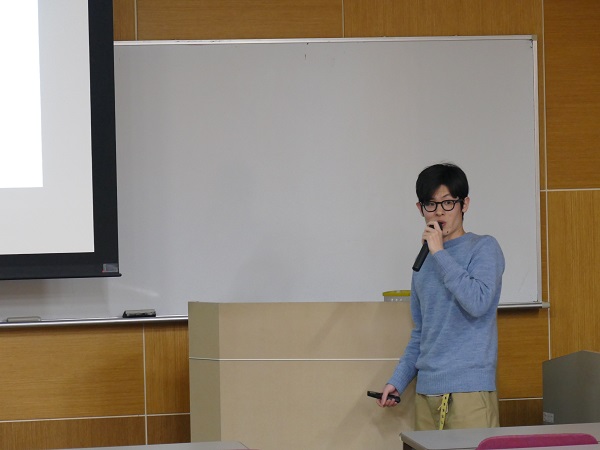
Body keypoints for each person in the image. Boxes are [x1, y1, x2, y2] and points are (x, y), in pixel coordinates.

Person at [376, 162, 505, 431]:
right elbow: (422, 332)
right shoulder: (424, 262)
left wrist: (440, 253)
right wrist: (398, 381)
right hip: (426, 393)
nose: (439, 212)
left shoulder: (483, 247)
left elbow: (478, 302)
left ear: (464, 204)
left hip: (469, 392)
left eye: (448, 202)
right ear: (420, 208)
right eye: (431, 204)